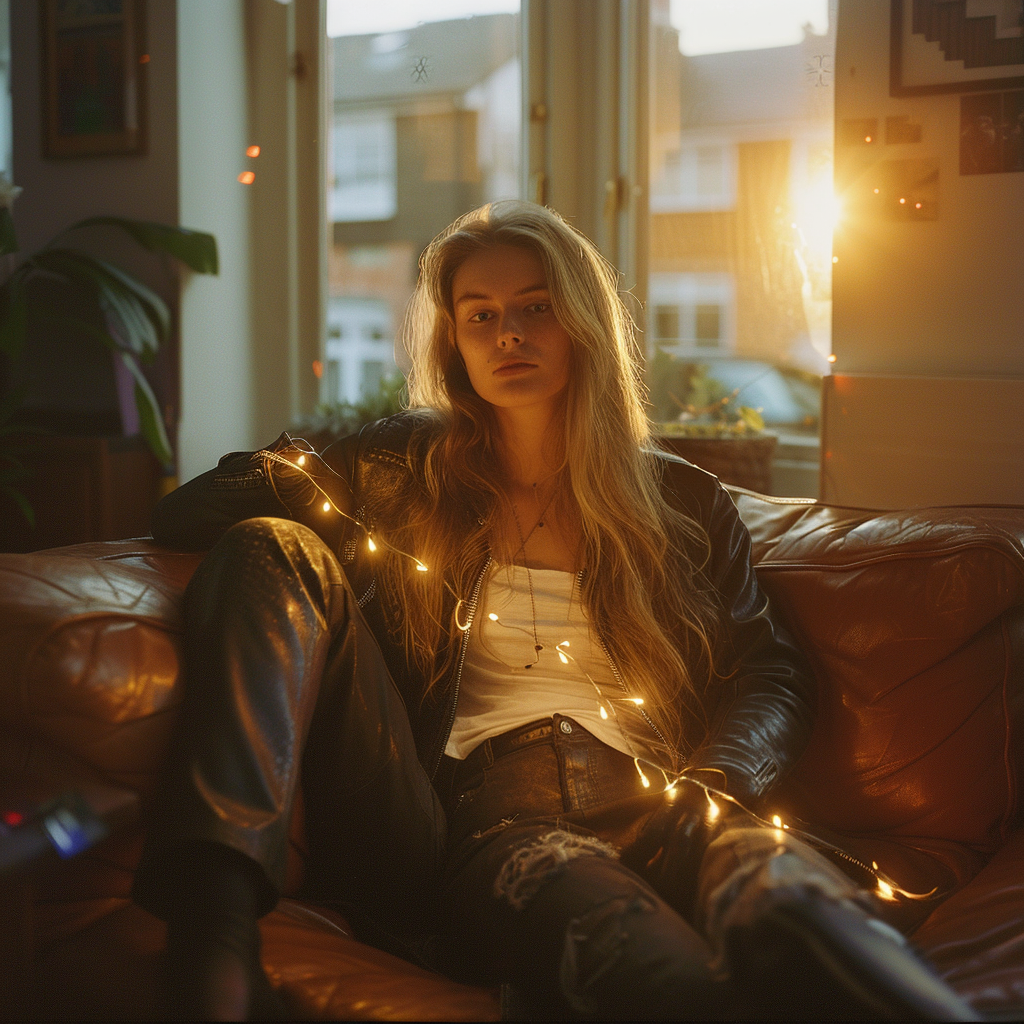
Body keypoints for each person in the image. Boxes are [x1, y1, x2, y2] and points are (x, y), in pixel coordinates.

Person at [133, 201, 974, 1021]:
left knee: (773, 882)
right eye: (480, 314)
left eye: (536, 307)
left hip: (665, 802)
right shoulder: (400, 467)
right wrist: (316, 468)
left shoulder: (682, 501)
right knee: (268, 545)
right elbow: (186, 515)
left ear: (582, 323)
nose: (509, 334)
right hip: (466, 819)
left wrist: (718, 783)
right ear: (453, 342)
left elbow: (772, 671)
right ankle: (213, 933)